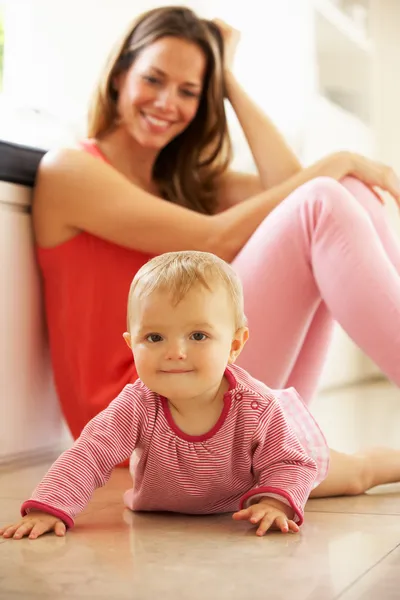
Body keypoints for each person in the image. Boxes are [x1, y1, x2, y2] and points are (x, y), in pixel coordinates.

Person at [32, 7, 400, 475]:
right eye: (154, 80)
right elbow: (220, 236)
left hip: (204, 385)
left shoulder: (188, 183)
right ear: (120, 74)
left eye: (189, 91)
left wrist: (227, 80)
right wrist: (340, 158)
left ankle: (282, 445)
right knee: (326, 195)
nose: (167, 102)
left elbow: (290, 181)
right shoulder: (71, 171)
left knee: (342, 191)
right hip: (135, 420)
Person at [2, 250, 400, 541]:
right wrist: (46, 507)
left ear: (235, 344)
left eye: (198, 336)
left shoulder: (255, 406)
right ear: (131, 344)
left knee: (355, 475)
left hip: (257, 477)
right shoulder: (136, 405)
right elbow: (87, 455)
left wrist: (275, 501)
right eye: (154, 337)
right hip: (199, 487)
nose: (175, 351)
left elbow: (290, 462)